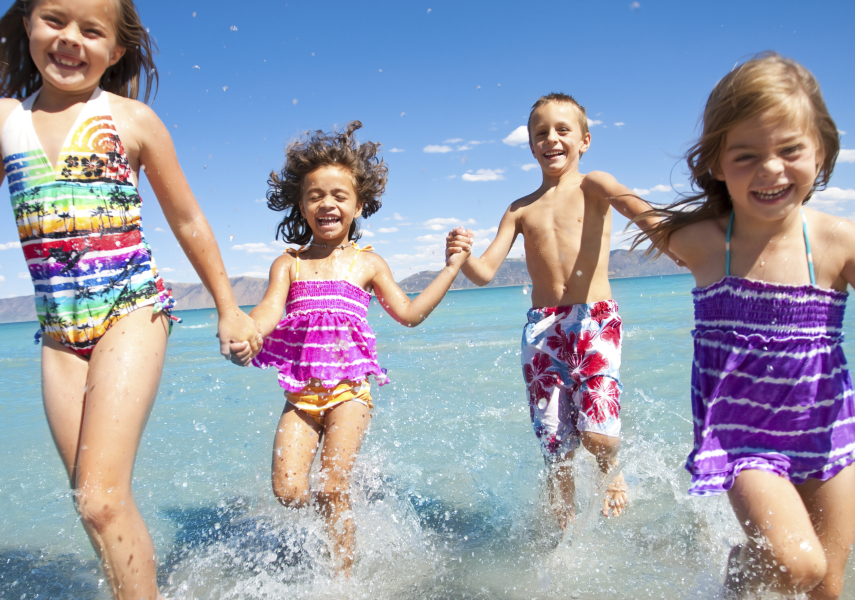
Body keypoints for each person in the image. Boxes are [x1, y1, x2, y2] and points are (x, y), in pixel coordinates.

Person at [0, 1, 258, 598]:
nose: (70, 40)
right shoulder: (0, 122)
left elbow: (189, 219)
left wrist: (228, 305)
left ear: (115, 51)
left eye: (91, 31)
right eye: (55, 21)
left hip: (133, 309)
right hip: (59, 333)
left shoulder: (132, 119)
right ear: (28, 26)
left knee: (100, 498)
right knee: (94, 505)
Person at [635, 52, 855, 599]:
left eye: (790, 150)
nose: (771, 169)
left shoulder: (837, 243)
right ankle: (737, 581)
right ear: (715, 163)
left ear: (822, 150)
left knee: (826, 587)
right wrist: (595, 186)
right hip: (741, 437)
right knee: (796, 564)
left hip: (829, 432)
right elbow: (641, 213)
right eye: (747, 155)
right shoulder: (709, 243)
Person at [230, 121, 470, 577]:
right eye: (315, 195)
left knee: (331, 486)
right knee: (289, 491)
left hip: (350, 394)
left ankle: (342, 578)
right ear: (300, 204)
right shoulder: (289, 264)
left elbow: (410, 313)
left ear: (359, 205)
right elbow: (266, 312)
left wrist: (452, 267)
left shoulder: (368, 263)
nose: (327, 204)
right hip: (300, 397)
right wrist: (248, 332)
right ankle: (325, 539)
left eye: (340, 196)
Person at [446, 93, 668, 529]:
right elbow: (486, 271)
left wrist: (679, 240)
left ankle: (611, 467)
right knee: (555, 444)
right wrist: (462, 256)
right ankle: (561, 528)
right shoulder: (520, 208)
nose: (552, 139)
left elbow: (640, 211)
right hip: (542, 330)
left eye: (563, 130)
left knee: (597, 434)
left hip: (594, 319)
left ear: (584, 140)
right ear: (531, 145)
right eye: (541, 132)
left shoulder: (595, 185)